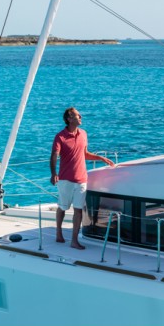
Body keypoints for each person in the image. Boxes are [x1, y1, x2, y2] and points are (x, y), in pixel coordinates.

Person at [50, 106, 114, 250]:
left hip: (81, 179)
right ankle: (58, 232)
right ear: (69, 119)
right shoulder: (60, 137)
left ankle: (74, 240)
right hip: (65, 179)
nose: (81, 117)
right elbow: (54, 155)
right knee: (62, 207)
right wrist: (54, 173)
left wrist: (101, 158)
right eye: (77, 115)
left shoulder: (83, 134)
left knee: (78, 210)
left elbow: (85, 154)